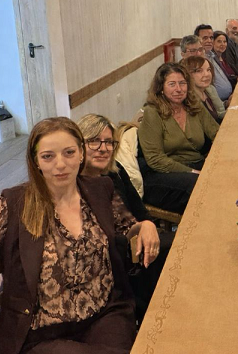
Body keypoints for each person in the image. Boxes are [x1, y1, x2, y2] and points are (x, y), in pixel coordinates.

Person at [0, 117, 158, 354]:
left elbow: (126, 226)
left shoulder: (100, 189)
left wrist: (144, 225)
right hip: (41, 332)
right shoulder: (14, 204)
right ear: (36, 161)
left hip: (103, 313)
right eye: (48, 156)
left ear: (81, 154)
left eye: (69, 153)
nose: (60, 164)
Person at [77, 113, 168, 324]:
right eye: (94, 141)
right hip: (115, 260)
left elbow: (141, 212)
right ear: (79, 146)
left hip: (138, 242)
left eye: (109, 142)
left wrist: (147, 225)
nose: (103, 148)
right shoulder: (75, 186)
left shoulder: (115, 173)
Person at [138, 63, 219, 214]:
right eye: (172, 84)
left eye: (182, 83)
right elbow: (155, 159)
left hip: (195, 164)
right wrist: (192, 171)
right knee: (202, 186)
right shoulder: (152, 112)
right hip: (163, 173)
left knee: (224, 176)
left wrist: (215, 159)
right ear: (161, 88)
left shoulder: (194, 106)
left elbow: (217, 134)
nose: (178, 89)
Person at [180, 55, 225, 123]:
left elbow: (220, 113)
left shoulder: (210, 89)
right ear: (187, 75)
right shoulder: (188, 100)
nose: (207, 74)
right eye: (199, 71)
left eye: (208, 70)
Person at [195, 24, 232, 102]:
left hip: (228, 98)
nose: (209, 41)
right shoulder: (198, 61)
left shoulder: (212, 55)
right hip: (218, 103)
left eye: (211, 38)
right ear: (197, 40)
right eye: (205, 38)